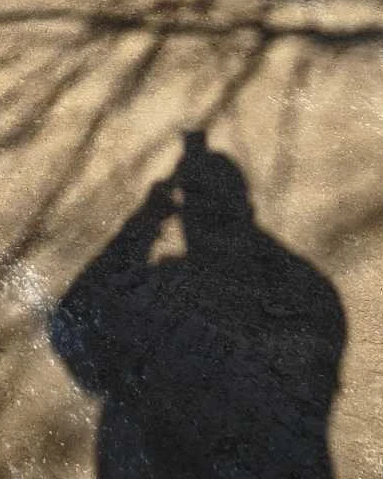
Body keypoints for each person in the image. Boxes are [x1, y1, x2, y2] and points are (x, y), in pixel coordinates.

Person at [50, 131, 345, 477]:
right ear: (245, 208)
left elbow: (73, 320)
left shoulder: (165, 293)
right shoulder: (311, 294)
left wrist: (145, 222)